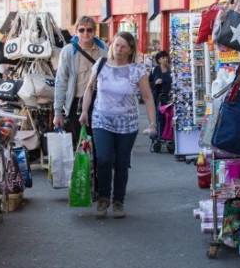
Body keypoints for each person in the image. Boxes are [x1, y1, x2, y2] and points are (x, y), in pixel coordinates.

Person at [79, 32, 157, 219]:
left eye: (123, 46)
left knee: (121, 163)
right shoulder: (101, 64)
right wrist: (84, 111)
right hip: (101, 120)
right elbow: (89, 88)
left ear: (131, 50)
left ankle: (118, 201)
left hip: (127, 124)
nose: (118, 49)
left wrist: (153, 123)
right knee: (104, 159)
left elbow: (147, 97)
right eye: (116, 45)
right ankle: (104, 198)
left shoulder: (137, 70)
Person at [53, 16, 108, 146]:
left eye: (89, 30)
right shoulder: (68, 51)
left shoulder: (104, 50)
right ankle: (85, 166)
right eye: (82, 30)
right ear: (76, 32)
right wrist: (58, 112)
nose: (85, 33)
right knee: (82, 144)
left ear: (94, 31)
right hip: (77, 103)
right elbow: (61, 82)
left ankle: (99, 166)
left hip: (101, 102)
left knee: (99, 144)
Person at [149, 51, 173, 140]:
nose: (165, 59)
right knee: (158, 118)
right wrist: (155, 83)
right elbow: (149, 83)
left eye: (166, 57)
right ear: (159, 60)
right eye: (163, 58)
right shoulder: (155, 70)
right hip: (158, 98)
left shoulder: (171, 70)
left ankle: (166, 136)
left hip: (168, 98)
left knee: (167, 118)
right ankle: (157, 137)